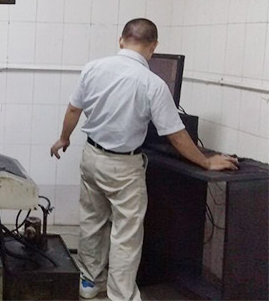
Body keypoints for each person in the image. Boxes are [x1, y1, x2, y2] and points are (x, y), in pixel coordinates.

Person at [50, 18, 238, 301]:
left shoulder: (93, 68)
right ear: (153, 46)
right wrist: (206, 162)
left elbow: (74, 109)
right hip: (124, 167)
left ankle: (89, 283)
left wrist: (64, 138)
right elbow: (176, 134)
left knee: (92, 221)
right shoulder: (152, 83)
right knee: (126, 233)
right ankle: (121, 294)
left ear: (121, 40)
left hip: (91, 156)